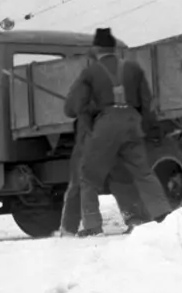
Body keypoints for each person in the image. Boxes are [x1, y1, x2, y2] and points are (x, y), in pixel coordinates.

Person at [64, 27, 172, 237]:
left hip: (107, 126)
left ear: (96, 49)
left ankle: (93, 224)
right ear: (113, 49)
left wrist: (87, 108)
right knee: (143, 172)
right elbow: (147, 105)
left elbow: (71, 108)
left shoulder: (90, 72)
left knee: (89, 175)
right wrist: (151, 130)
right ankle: (163, 215)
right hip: (132, 122)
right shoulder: (133, 69)